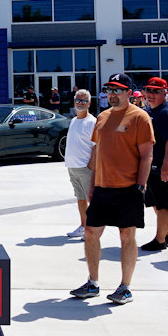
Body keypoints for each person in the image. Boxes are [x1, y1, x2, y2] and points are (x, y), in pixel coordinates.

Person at [70, 73, 154, 305]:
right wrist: (92, 183)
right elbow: (98, 152)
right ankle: (93, 283)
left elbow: (147, 155)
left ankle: (125, 287)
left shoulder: (140, 117)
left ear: (129, 92)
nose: (113, 94)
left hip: (128, 188)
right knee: (90, 233)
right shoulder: (103, 117)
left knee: (127, 236)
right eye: (109, 90)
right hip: (102, 188)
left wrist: (141, 184)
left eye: (117, 90)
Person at [139, 77, 168, 252]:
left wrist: (167, 165)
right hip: (153, 165)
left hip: (164, 167)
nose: (151, 95)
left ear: (165, 92)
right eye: (148, 90)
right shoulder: (153, 111)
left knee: (164, 204)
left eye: (156, 91)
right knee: (157, 203)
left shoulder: (167, 113)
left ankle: (160, 240)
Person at [64, 89, 96, 240]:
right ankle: (83, 226)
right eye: (78, 100)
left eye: (84, 101)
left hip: (85, 168)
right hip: (73, 167)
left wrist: (91, 165)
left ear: (89, 103)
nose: (80, 103)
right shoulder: (73, 120)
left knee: (91, 200)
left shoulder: (92, 122)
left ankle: (92, 229)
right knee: (80, 199)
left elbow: (97, 145)